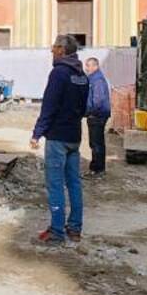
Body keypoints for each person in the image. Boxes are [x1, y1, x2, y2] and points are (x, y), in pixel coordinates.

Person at [30, 35, 89, 244]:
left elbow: (49, 106)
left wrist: (37, 133)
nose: (51, 51)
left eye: (54, 47)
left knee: (55, 184)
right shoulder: (82, 75)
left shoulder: (59, 73)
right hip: (74, 136)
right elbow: (84, 109)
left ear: (62, 50)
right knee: (74, 183)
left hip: (57, 138)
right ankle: (74, 228)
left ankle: (56, 231)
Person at [84, 57, 111, 177]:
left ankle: (97, 170)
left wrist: (89, 112)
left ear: (95, 66)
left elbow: (98, 101)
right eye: (86, 66)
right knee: (95, 143)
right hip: (96, 115)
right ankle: (96, 168)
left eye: (88, 66)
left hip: (97, 115)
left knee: (96, 144)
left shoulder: (97, 80)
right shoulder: (94, 79)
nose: (87, 68)